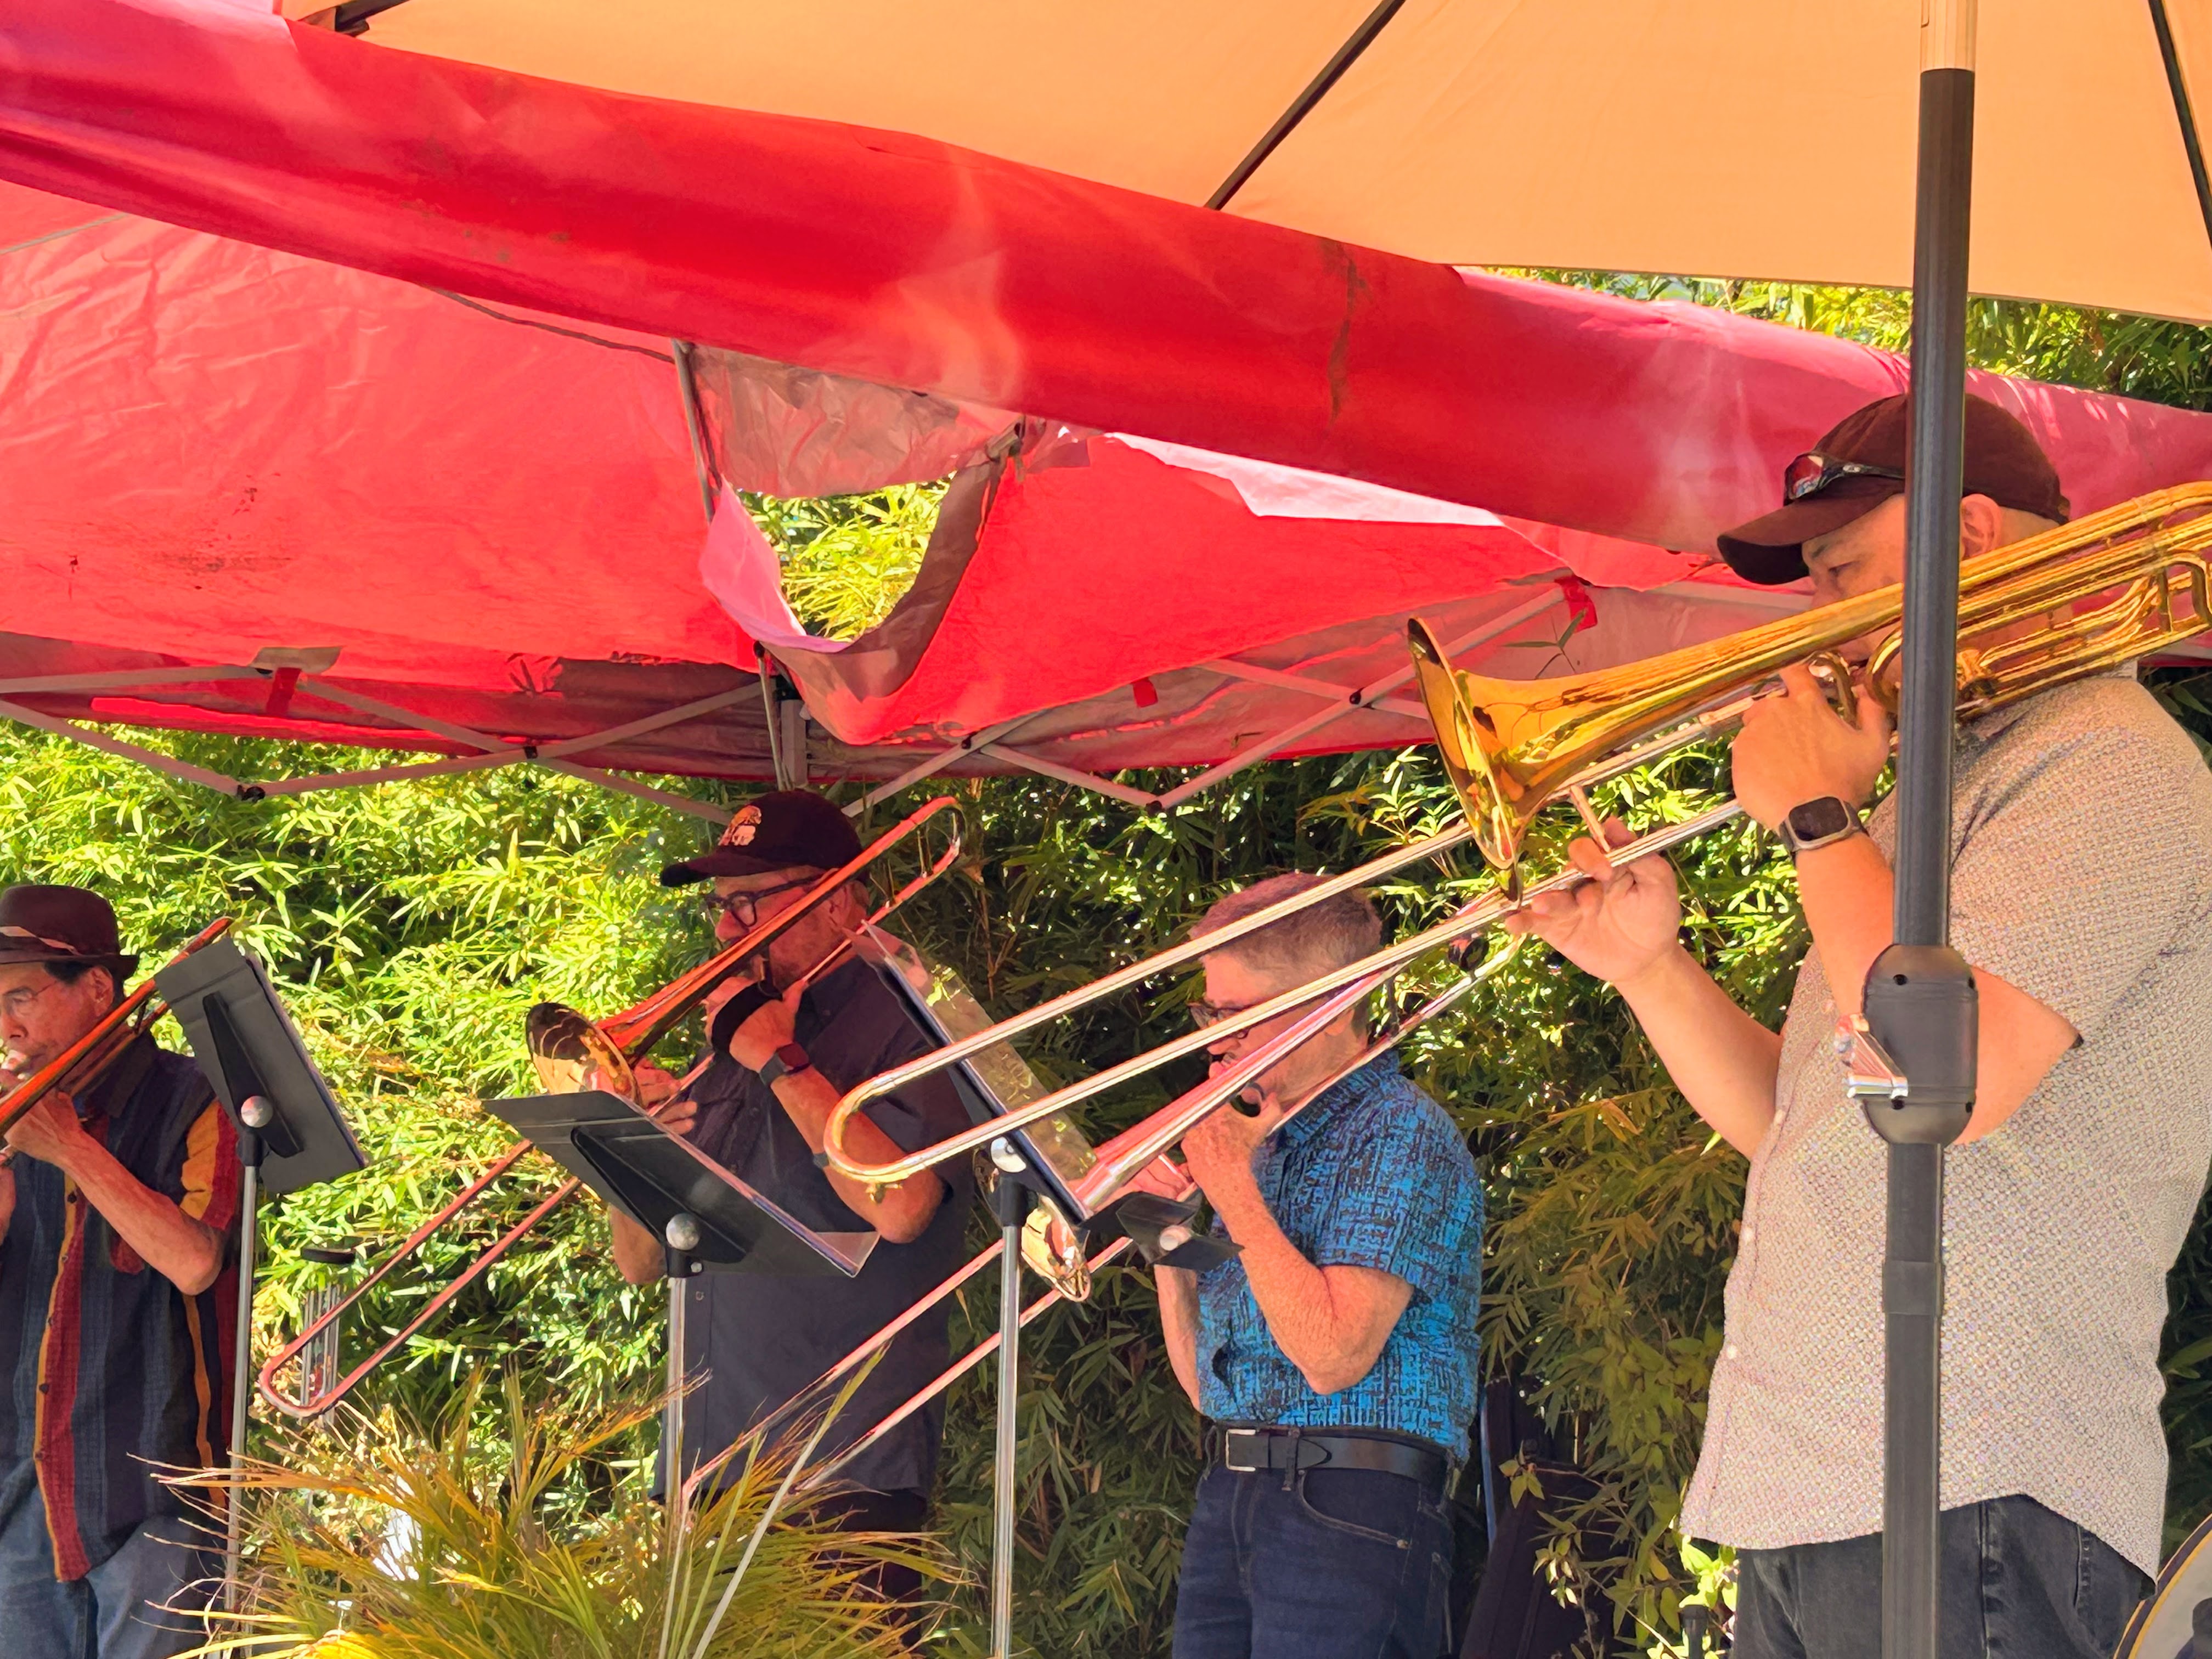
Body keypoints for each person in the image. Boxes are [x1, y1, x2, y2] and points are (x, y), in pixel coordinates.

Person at [1508, 393, 2212, 1659]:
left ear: (1976, 533)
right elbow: (1827, 1112)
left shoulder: (2109, 758)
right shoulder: (1942, 789)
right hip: (1833, 1480)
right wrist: (1649, 971)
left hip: (1970, 1473)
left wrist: (1818, 824)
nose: (1817, 614)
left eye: (1843, 568)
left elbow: (1951, 1084)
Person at [601, 789, 975, 1630]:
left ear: (838, 896)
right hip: (704, 1460)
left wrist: (780, 1061)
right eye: (718, 907)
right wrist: (633, 1153)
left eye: (749, 902)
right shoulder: (731, 1033)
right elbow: (643, 1262)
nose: (729, 930)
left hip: (843, 1468)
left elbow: (905, 1205)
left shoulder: (913, 1026)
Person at [1146, 872, 1483, 1659]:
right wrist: (1166, 1244)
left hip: (1353, 1502)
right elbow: (1211, 1390)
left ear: (1320, 1008)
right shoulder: (1259, 1142)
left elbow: (1332, 1356)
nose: (1212, 1042)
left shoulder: (1400, 1133)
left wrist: (1231, 1183)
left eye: (1231, 1015)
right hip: (1235, 1488)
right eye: (1208, 1012)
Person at [0, 884, 238, 1658]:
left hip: (155, 1497)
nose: (6, 1028)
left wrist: (72, 1148)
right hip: (21, 1491)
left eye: (23, 997)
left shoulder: (197, 1098)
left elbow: (198, 1263)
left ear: (98, 988)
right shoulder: (16, 1110)